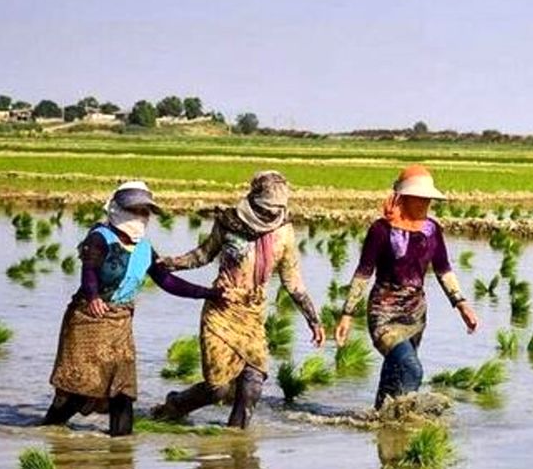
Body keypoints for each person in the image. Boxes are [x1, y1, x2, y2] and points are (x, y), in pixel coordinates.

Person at [42, 181, 218, 437]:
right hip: (88, 320)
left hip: (120, 323)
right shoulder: (100, 238)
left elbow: (167, 281)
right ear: (117, 210)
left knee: (122, 391)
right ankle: (50, 431)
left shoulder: (145, 249)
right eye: (135, 211)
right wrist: (92, 297)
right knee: (82, 389)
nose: (140, 217)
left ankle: (122, 451)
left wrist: (207, 293)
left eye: (145, 212)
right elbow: (89, 272)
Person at [152, 170, 323, 428]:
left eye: (277, 209)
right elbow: (203, 255)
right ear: (254, 201)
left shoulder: (284, 232)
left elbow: (292, 280)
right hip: (222, 307)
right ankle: (175, 405)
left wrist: (313, 319)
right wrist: (169, 263)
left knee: (253, 385)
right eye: (267, 208)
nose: (272, 214)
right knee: (217, 390)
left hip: (252, 313)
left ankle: (237, 445)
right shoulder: (228, 221)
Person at [334, 165, 478, 408]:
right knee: (412, 368)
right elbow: (364, 272)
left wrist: (462, 305)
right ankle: (401, 418)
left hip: (415, 314)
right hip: (384, 313)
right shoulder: (380, 230)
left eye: (428, 198)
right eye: (419, 198)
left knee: (396, 369)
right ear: (404, 197)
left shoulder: (432, 230)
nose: (425, 203)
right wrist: (347, 315)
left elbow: (443, 269)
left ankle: (381, 422)